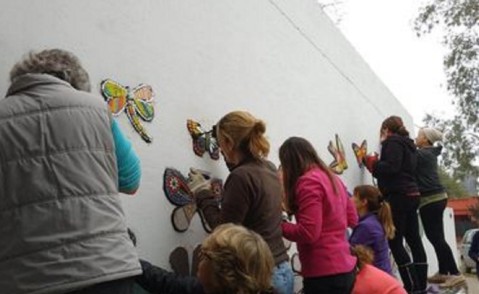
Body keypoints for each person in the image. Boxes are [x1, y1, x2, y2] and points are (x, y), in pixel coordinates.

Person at [0, 49, 142, 294]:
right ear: (75, 82)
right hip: (106, 268)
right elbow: (130, 181)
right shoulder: (96, 109)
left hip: (27, 277)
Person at [188, 111, 294, 294]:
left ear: (229, 143)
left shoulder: (241, 177)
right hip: (282, 269)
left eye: (221, 143)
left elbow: (223, 232)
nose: (219, 149)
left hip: (262, 276)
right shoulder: (267, 168)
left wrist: (202, 192)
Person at [279, 136, 358, 294]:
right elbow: (353, 219)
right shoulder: (333, 178)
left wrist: (279, 226)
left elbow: (309, 233)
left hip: (323, 271)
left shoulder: (308, 182)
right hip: (346, 267)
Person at [365, 115, 427, 294]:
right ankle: (420, 286)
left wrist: (374, 164)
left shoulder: (392, 142)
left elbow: (392, 167)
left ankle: (411, 287)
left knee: (395, 241)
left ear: (386, 129)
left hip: (398, 196)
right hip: (412, 194)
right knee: (414, 240)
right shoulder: (410, 145)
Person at [137, 223, 276, 294]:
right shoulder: (208, 288)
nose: (199, 257)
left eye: (205, 254)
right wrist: (130, 261)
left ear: (224, 270)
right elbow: (167, 282)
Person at [415, 127, 465, 287]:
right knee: (437, 238)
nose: (416, 138)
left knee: (436, 238)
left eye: (418, 136)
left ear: (425, 140)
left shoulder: (423, 154)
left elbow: (408, 153)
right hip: (436, 198)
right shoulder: (429, 154)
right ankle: (444, 271)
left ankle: (455, 273)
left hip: (431, 199)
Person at [349, 185, 395, 275]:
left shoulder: (366, 227)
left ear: (364, 202)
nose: (350, 199)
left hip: (377, 279)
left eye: (354, 196)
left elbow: (349, 253)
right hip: (383, 277)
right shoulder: (374, 221)